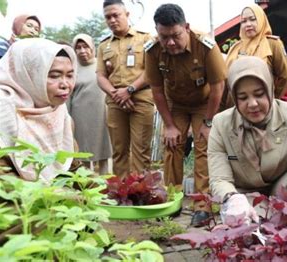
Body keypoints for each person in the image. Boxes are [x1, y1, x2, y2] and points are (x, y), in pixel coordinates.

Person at [209, 56, 287, 224]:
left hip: (282, 187)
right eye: (243, 97)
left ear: (270, 89)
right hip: (245, 194)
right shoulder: (221, 124)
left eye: (259, 94)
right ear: (234, 98)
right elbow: (220, 178)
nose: (252, 104)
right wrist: (232, 198)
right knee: (246, 228)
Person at [145, 4, 227, 226]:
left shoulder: (206, 46)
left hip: (204, 102)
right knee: (171, 144)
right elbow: (157, 90)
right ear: (157, 32)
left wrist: (209, 123)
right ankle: (172, 199)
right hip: (176, 104)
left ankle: (202, 205)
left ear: (187, 28)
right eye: (164, 37)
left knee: (204, 146)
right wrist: (169, 126)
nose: (170, 43)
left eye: (175, 36)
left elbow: (218, 86)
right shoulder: (153, 50)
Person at [0, 38, 77, 182]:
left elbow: (72, 166)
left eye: (70, 75)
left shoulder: (57, 109)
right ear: (27, 74)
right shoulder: (3, 111)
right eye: (54, 76)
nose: (66, 84)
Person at [96, 0, 154, 177]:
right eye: (108, 17)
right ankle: (121, 193)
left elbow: (151, 71)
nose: (112, 20)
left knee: (140, 150)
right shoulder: (103, 45)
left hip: (141, 99)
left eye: (116, 15)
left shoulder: (145, 39)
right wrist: (117, 95)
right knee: (119, 150)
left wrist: (128, 91)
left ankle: (141, 191)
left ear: (127, 14)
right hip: (115, 102)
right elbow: (100, 76)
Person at [224, 4, 287, 107]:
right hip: (234, 107)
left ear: (261, 20)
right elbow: (225, 80)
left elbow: (285, 76)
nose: (248, 24)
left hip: (261, 107)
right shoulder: (235, 48)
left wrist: (272, 99)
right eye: (244, 21)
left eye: (252, 19)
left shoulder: (272, 44)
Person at [67, 34, 112, 175]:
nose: (82, 51)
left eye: (85, 46)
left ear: (92, 47)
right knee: (83, 150)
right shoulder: (72, 69)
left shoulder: (102, 65)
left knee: (104, 149)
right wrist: (67, 117)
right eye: (78, 47)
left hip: (102, 113)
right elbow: (68, 95)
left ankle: (106, 183)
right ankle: (87, 182)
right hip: (80, 115)